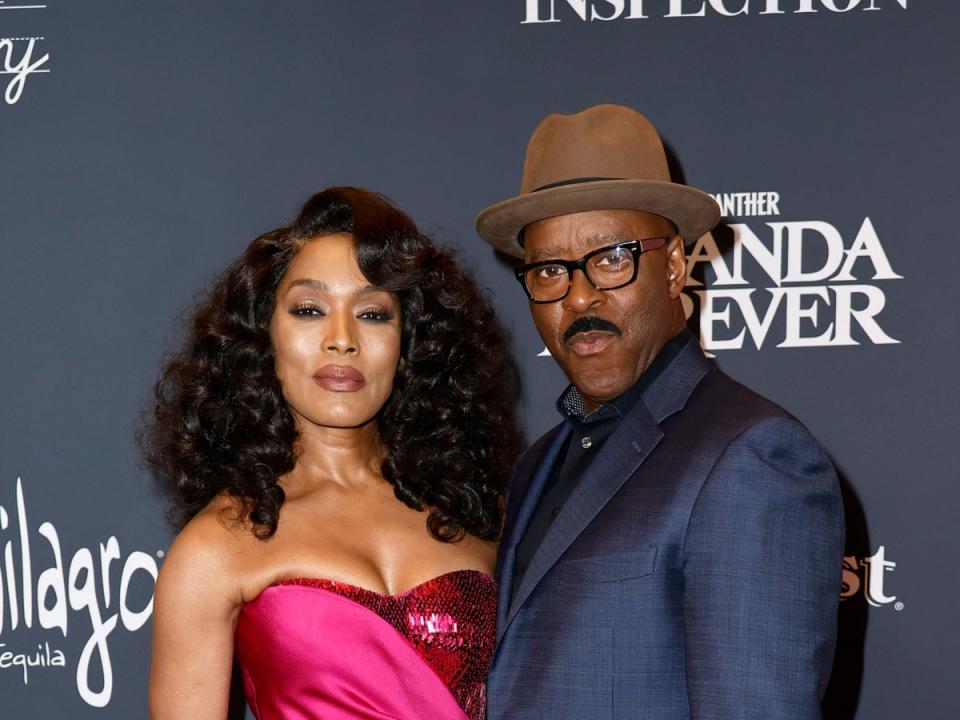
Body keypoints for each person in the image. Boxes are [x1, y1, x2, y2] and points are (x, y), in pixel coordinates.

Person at [475, 104, 844, 719]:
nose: (581, 296)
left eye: (613, 257)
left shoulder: (751, 455)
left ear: (674, 266)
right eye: (548, 271)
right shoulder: (537, 463)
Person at [145, 187, 521, 720]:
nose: (341, 339)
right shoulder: (217, 546)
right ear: (263, 336)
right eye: (309, 309)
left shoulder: (481, 514)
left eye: (372, 315)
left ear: (410, 343)